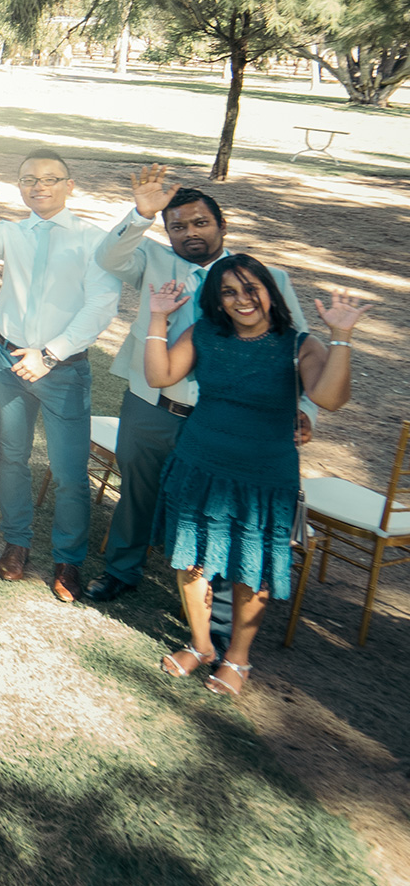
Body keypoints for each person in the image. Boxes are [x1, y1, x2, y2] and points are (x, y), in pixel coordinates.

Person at [85, 170, 310, 604]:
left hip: (226, 421)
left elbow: (296, 353)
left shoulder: (267, 280)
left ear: (222, 226)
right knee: (137, 489)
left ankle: (215, 596)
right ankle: (122, 569)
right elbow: (108, 258)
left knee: (217, 507)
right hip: (153, 405)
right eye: (178, 226)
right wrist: (141, 214)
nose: (190, 233)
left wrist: (306, 413)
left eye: (200, 223)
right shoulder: (151, 259)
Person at [144, 263, 368, 694]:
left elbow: (329, 398)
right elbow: (161, 375)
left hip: (264, 478)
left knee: (253, 568)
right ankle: (202, 645)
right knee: (191, 561)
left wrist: (342, 335)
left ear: (271, 292)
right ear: (217, 299)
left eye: (251, 288)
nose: (241, 298)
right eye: (228, 292)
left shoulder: (300, 345)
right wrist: (158, 318)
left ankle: (238, 659)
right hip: (198, 466)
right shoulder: (204, 334)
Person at [0, 151, 120, 600]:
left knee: (68, 472)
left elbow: (101, 306)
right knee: (12, 457)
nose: (38, 186)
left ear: (70, 184)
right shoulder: (12, 231)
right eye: (29, 179)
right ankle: (17, 542)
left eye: (49, 179)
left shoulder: (92, 240)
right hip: (7, 361)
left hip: (63, 370)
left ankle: (68, 559)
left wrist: (49, 354)